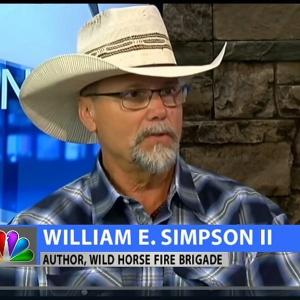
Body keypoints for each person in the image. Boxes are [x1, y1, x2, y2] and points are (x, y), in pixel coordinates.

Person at [4, 4, 300, 287]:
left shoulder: (251, 219)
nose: (161, 110)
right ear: (88, 113)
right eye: (134, 94)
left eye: (170, 91)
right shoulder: (29, 234)